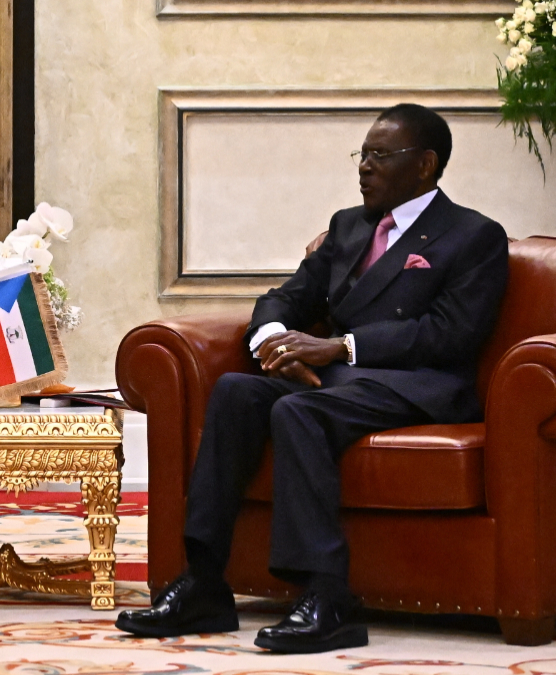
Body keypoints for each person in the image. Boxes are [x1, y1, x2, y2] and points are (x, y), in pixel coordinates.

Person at [115, 104, 509, 653]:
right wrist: (270, 338)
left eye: (379, 156)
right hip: (341, 380)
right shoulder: (350, 225)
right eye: (362, 155)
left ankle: (328, 597)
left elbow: (451, 334)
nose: (363, 168)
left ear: (424, 165)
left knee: (297, 410)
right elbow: (288, 296)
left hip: (417, 384)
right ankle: (204, 580)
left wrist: (340, 345)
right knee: (236, 392)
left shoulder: (474, 236)